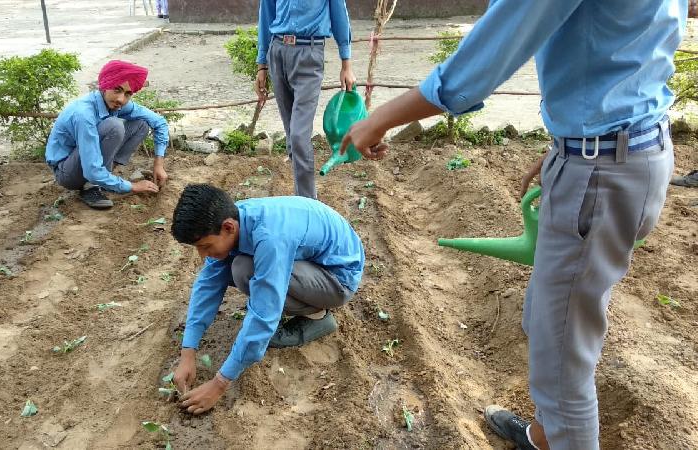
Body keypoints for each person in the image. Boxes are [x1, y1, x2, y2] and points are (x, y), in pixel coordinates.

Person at [339, 1, 685, 449]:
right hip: (633, 150)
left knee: (562, 357)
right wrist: (571, 145)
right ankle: (544, 435)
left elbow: (484, 59)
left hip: (601, 170)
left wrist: (379, 119)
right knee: (550, 319)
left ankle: (560, 434)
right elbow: (628, 54)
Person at [168, 184, 365, 414]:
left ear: (228, 227)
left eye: (205, 246)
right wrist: (188, 351)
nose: (202, 255)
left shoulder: (270, 238)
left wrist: (219, 384)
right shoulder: (231, 217)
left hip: (338, 278)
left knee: (247, 271)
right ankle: (307, 301)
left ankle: (316, 315)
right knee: (240, 267)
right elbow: (208, 284)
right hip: (312, 261)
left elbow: (264, 315)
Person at [255, 0, 357, 199]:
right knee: (291, 136)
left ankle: (309, 203)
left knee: (298, 136)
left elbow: (340, 16)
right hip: (277, 51)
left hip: (309, 55)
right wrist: (262, 65)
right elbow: (266, 15)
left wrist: (346, 65)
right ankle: (301, 196)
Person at [45, 60, 168, 210]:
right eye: (117, 90)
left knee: (141, 124)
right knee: (114, 126)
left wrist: (158, 164)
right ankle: (91, 185)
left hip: (86, 160)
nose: (121, 99)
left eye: (128, 94)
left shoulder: (115, 103)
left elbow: (159, 122)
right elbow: (91, 170)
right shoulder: (84, 114)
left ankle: (104, 178)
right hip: (67, 172)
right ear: (104, 86)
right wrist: (133, 186)